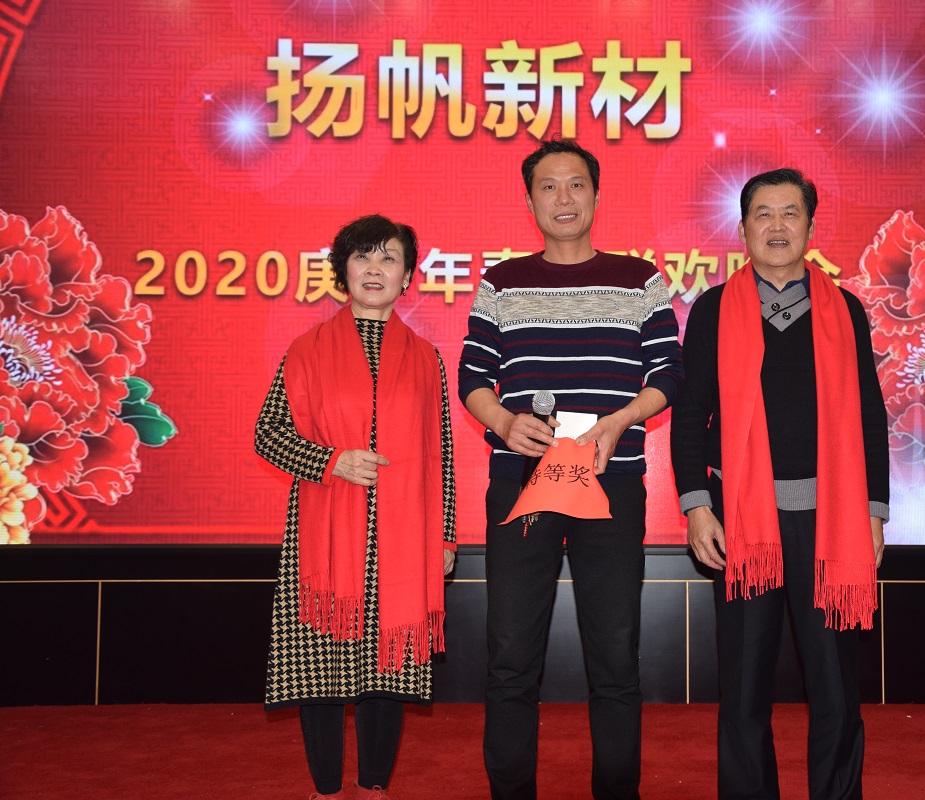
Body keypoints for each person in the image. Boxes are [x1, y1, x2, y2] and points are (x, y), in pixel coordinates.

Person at [458, 138, 684, 800]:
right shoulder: (502, 282)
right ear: (530, 201)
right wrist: (504, 423)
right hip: (521, 480)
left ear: (596, 195)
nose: (564, 198)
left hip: (611, 480)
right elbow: (472, 376)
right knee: (510, 655)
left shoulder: (639, 278)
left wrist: (622, 419)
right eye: (549, 186)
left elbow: (669, 372)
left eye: (576, 184)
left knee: (615, 655)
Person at [670, 168, 889, 800]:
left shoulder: (845, 310)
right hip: (743, 521)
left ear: (810, 227)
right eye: (762, 214)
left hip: (832, 520)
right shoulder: (713, 310)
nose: (776, 225)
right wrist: (697, 507)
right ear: (742, 230)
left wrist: (874, 512)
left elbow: (869, 413)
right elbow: (691, 412)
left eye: (790, 213)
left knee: (835, 688)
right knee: (743, 688)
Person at [255, 214, 457, 800]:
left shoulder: (427, 359)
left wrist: (445, 537)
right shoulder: (307, 350)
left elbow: (441, 454)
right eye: (362, 256)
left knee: (388, 668)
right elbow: (269, 434)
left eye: (389, 257)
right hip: (324, 544)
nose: (375, 268)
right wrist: (330, 461)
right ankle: (326, 790)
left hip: (403, 540)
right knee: (319, 671)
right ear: (342, 270)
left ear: (408, 276)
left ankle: (373, 787)